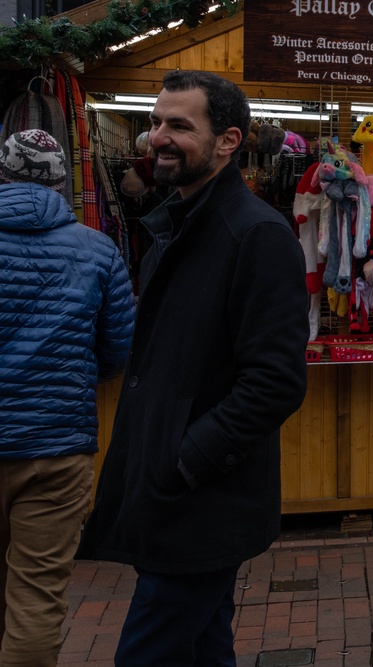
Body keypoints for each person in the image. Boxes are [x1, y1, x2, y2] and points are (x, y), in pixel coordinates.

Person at [75, 70, 310, 665]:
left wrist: (188, 456)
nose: (158, 138)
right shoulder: (177, 224)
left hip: (200, 498)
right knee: (205, 648)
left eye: (179, 125)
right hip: (174, 491)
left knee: (147, 651)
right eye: (156, 123)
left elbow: (276, 380)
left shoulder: (255, 233)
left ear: (228, 141)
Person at [0, 130, 134, 666]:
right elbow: (118, 348)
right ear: (62, 180)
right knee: (36, 597)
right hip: (56, 447)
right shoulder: (96, 249)